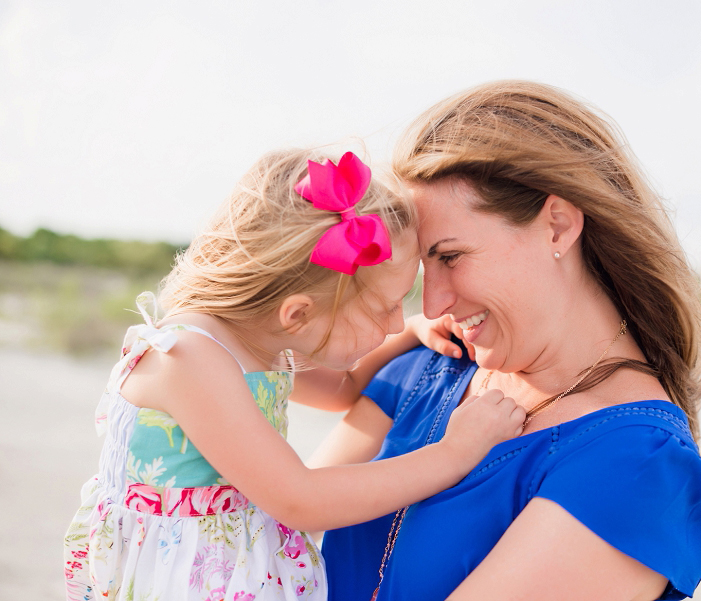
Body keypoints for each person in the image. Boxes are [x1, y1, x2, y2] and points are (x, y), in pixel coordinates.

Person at [316, 81, 701, 601]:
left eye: (451, 257)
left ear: (557, 226)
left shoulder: (636, 464)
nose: (433, 304)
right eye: (423, 267)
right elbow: (273, 529)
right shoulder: (428, 368)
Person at [63, 149, 526, 601]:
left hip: (231, 564)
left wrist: (413, 334)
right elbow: (300, 500)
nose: (395, 323)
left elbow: (342, 391)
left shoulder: (259, 341)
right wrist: (454, 454)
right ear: (298, 314)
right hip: (178, 576)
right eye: (386, 310)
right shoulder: (188, 359)